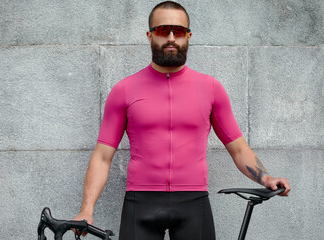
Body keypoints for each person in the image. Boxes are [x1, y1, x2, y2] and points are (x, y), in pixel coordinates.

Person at [74, 1, 291, 239]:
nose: (170, 37)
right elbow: (103, 156)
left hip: (193, 203)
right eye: (161, 30)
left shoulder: (211, 88)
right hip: (141, 203)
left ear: (188, 36)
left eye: (178, 31)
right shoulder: (124, 90)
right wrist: (86, 209)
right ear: (149, 35)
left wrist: (267, 178)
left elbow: (238, 149)